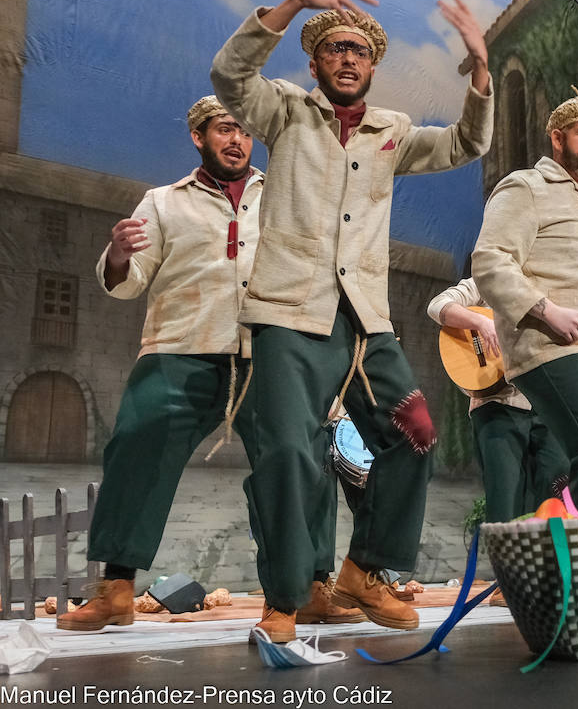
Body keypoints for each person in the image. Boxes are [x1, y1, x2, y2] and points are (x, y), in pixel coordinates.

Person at [209, 0, 493, 642]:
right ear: (314, 63)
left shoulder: (391, 132)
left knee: (416, 432)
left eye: (358, 52)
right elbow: (228, 75)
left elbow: (465, 144)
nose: (346, 58)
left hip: (364, 322)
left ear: (372, 67)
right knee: (287, 454)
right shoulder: (284, 111)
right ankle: (286, 597)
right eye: (334, 49)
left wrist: (481, 67)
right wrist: (297, 4)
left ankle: (365, 569)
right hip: (289, 315)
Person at [58, 99, 357, 631]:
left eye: (244, 131)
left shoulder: (285, 196)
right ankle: (117, 587)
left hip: (271, 352)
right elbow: (130, 280)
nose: (237, 140)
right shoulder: (163, 202)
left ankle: (309, 586)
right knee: (137, 436)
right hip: (183, 345)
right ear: (200, 137)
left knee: (301, 456)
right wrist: (121, 254)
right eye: (224, 130)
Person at [471, 94, 578, 515]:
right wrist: (547, 309)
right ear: (557, 138)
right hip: (552, 343)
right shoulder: (527, 186)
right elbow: (489, 260)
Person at [427, 278, 570, 521]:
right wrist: (482, 322)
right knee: (505, 505)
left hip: (549, 403)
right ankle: (506, 557)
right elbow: (438, 305)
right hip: (499, 404)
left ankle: (546, 558)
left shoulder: (553, 283)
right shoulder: (488, 279)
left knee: (554, 502)